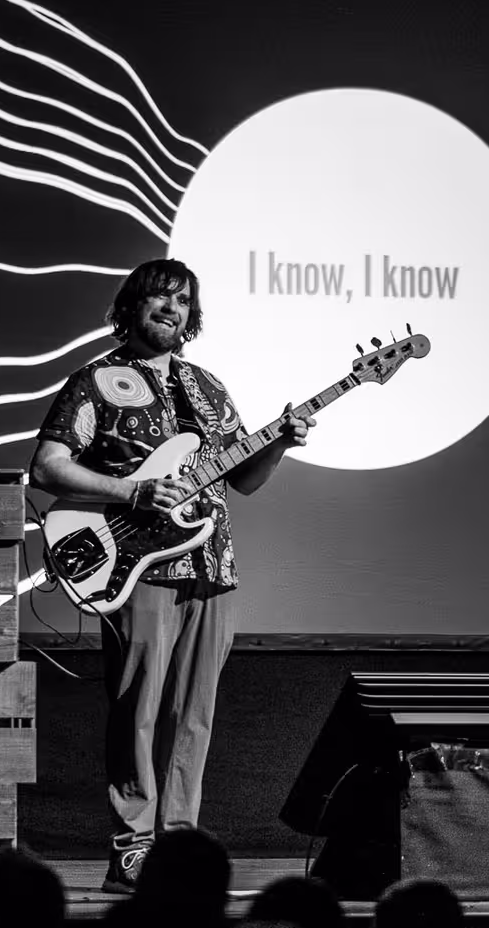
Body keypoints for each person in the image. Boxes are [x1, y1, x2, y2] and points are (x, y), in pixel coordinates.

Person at [32, 258, 310, 892]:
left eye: (183, 302)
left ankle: (179, 849)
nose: (172, 310)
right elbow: (47, 467)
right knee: (138, 708)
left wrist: (278, 444)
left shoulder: (209, 387)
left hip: (211, 563)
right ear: (131, 306)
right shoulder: (96, 381)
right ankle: (133, 846)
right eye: (159, 297)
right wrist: (129, 492)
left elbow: (244, 480)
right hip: (138, 565)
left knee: (195, 714)